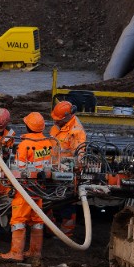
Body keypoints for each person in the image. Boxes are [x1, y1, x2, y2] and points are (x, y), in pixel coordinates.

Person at [0, 112, 55, 263]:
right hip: (39, 189)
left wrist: (9, 185)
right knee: (37, 220)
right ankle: (35, 252)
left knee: (18, 220)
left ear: (27, 126)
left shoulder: (25, 145)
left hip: (25, 189)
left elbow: (18, 171)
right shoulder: (48, 143)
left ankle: (16, 253)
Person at [50, 100, 87, 238]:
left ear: (66, 117)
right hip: (53, 169)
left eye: (58, 120)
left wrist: (69, 168)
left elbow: (79, 157)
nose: (55, 121)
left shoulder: (76, 132)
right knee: (49, 201)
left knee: (67, 203)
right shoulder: (58, 126)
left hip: (67, 174)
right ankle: (51, 229)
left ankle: (66, 234)